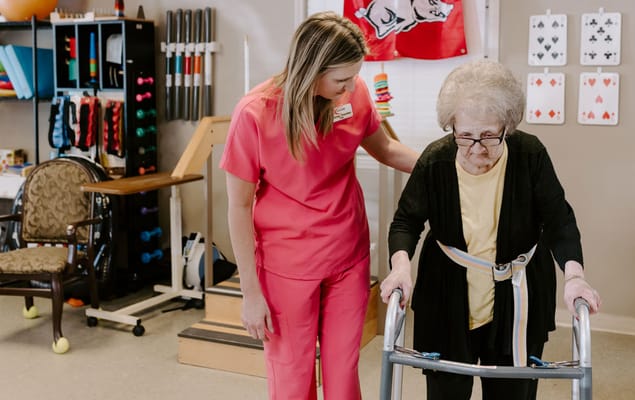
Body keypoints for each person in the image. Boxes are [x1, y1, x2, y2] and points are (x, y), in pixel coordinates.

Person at [219, 11, 418, 400]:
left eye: (353, 78)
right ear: (311, 69)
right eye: (340, 80)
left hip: (348, 254)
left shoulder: (354, 93)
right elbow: (239, 207)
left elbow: (386, 149)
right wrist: (250, 293)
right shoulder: (255, 113)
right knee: (292, 378)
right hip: (287, 266)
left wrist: (447, 165)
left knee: (343, 374)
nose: (349, 89)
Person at [379, 59, 601, 400]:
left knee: (512, 393)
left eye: (488, 136)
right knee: (446, 391)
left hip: (519, 297)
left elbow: (559, 220)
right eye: (465, 135)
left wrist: (574, 276)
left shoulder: (530, 155)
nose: (476, 149)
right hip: (447, 297)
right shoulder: (436, 160)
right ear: (451, 125)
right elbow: (406, 221)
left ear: (507, 126)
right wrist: (400, 268)